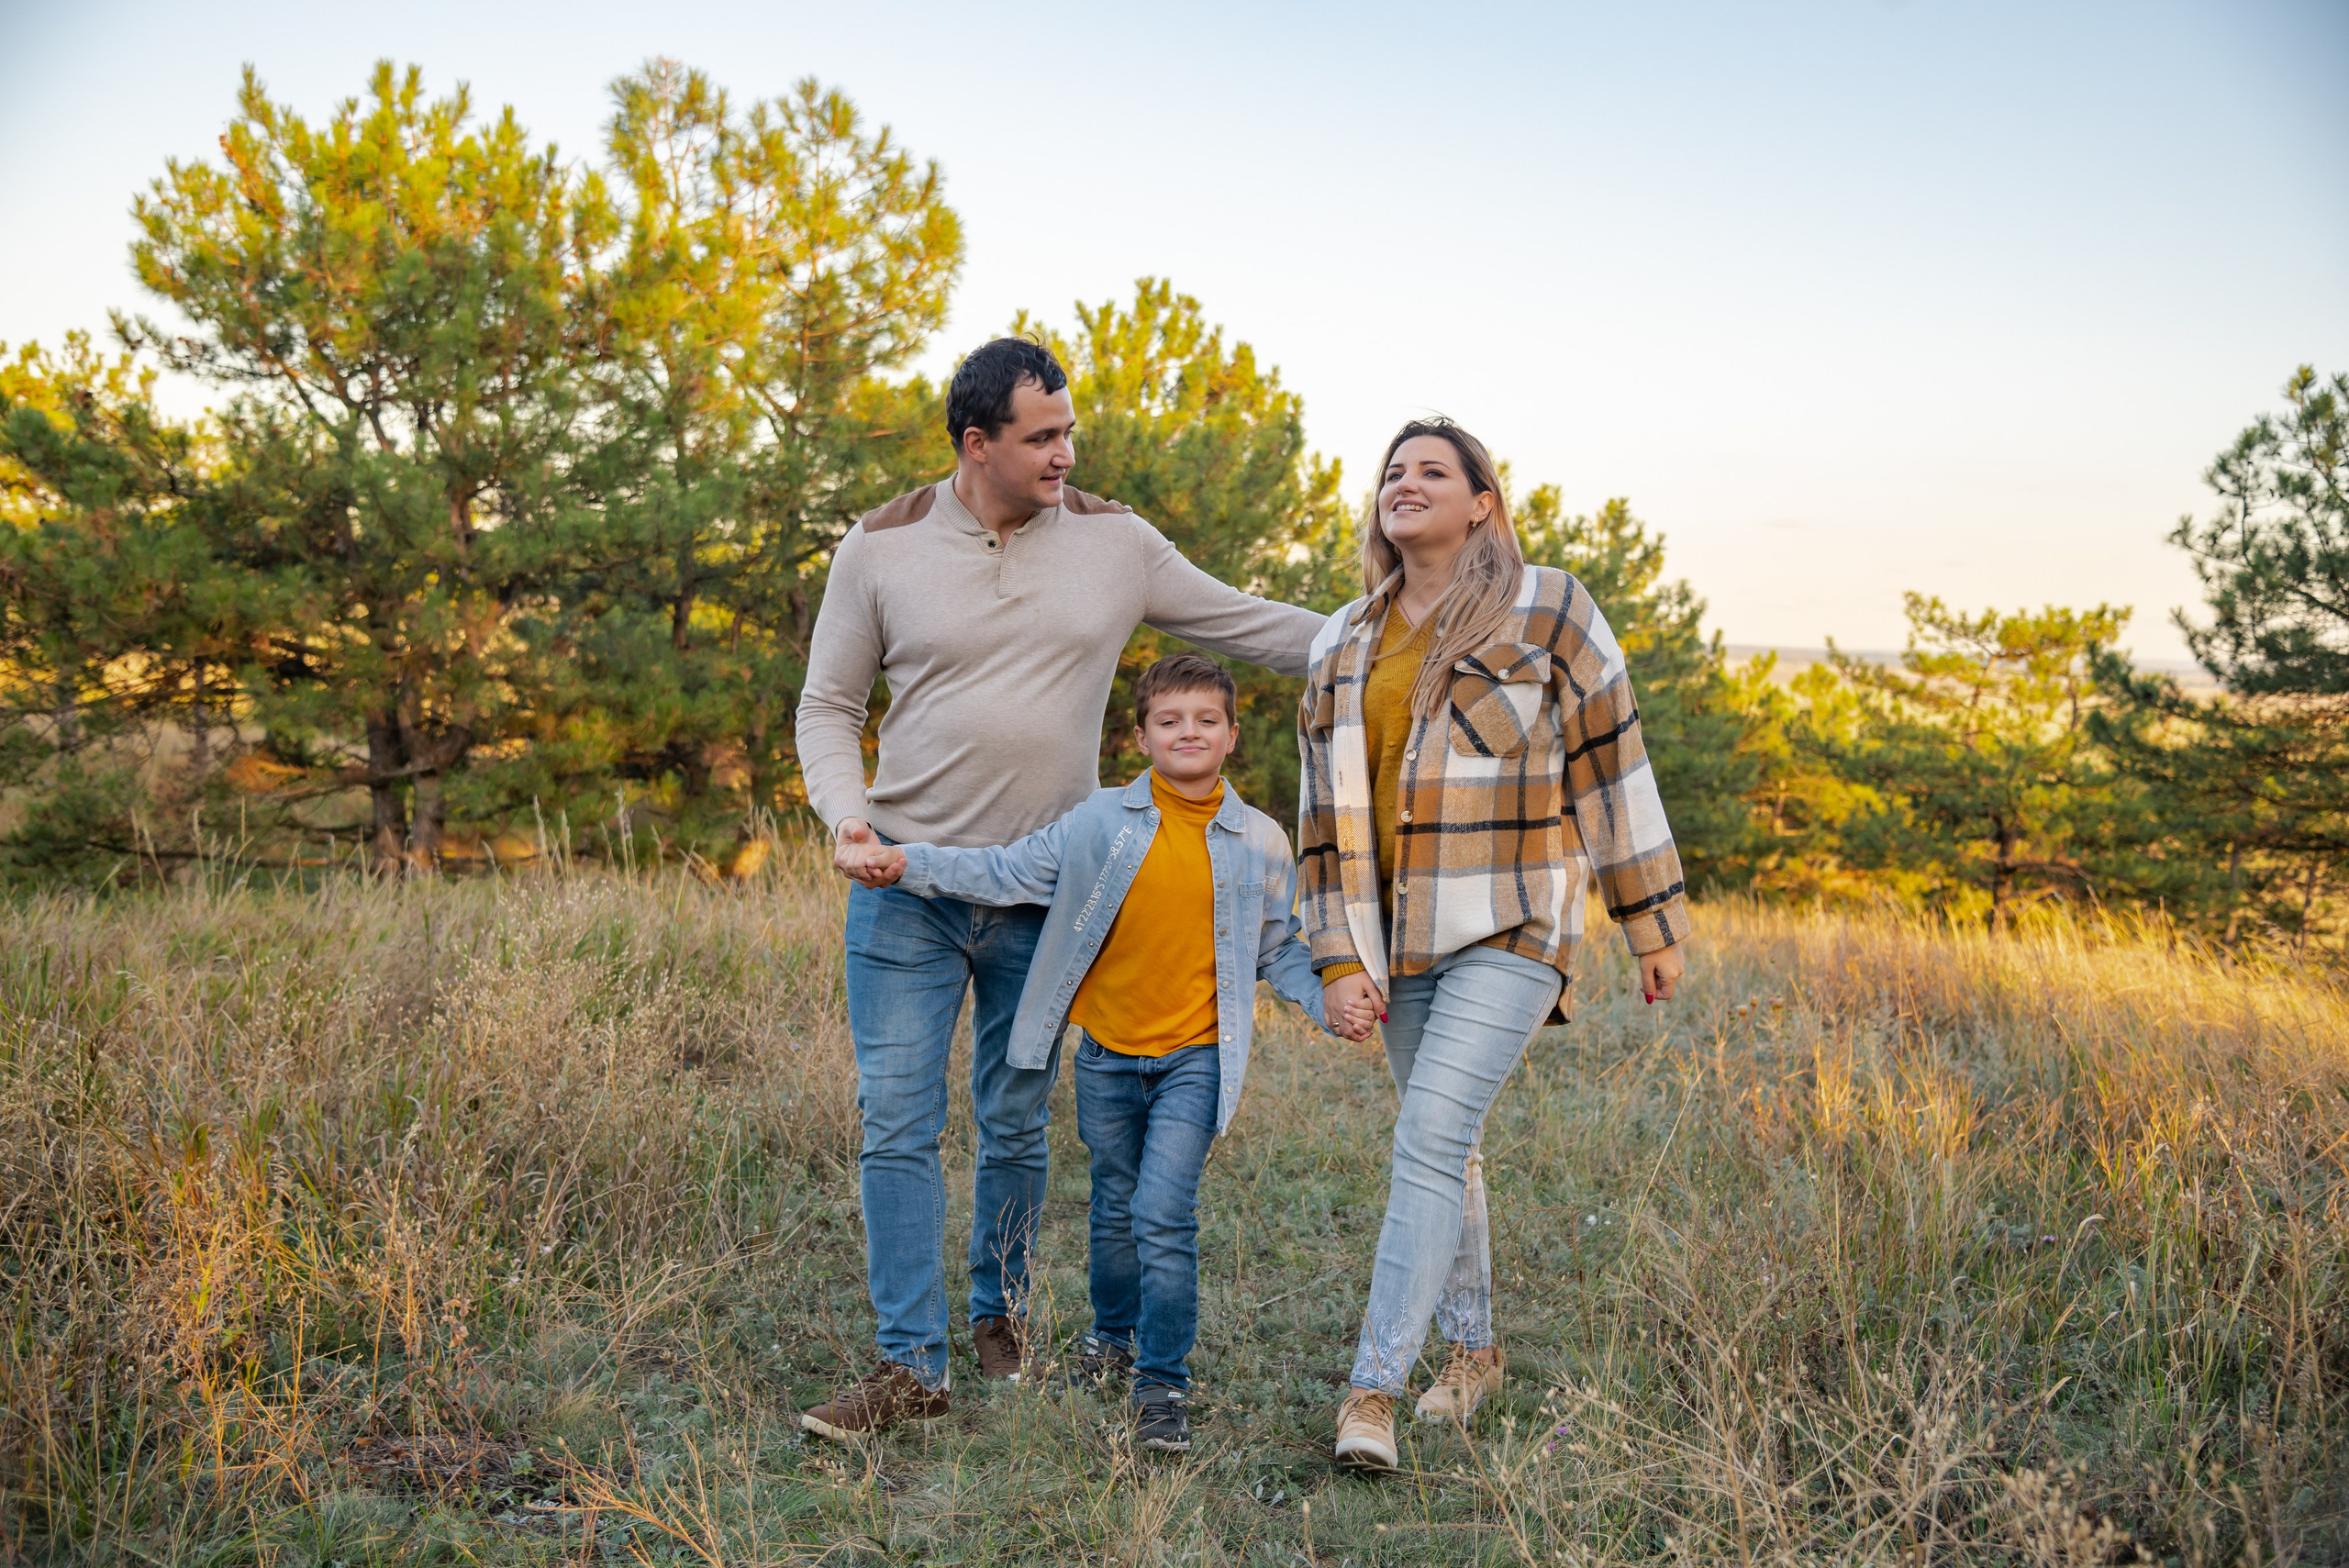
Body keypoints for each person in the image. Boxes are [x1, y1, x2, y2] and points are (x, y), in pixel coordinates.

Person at [792, 339, 1325, 1440]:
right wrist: (845, 814)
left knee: (1016, 1119)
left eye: (1067, 429)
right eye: (1040, 436)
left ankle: (1003, 1311)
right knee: (895, 1122)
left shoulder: (1115, 540)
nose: (1064, 452)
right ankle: (908, 1366)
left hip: (1050, 898)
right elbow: (828, 706)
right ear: (975, 443)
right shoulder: (879, 547)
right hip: (906, 881)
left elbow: (1248, 623)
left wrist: (1391, 639)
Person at [840, 653, 1364, 1451]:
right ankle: (1112, 1339)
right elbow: (1006, 869)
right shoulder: (1099, 822)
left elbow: (1277, 945)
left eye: (1206, 720)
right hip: (1108, 1056)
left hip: (1197, 1056)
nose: (1189, 732)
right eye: (1170, 720)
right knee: (1115, 1208)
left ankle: (1163, 1382)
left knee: (1162, 1211)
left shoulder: (1259, 840)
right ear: (1142, 736)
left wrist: (1326, 993)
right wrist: (909, 861)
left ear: (1231, 736)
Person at [1300, 417, 1690, 1470]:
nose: (1405, 483)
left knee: (1426, 1136)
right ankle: (1473, 1351)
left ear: (1481, 502)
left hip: (1511, 920)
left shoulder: (1550, 606)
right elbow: (1321, 819)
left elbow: (1612, 762)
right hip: (1393, 937)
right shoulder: (1340, 637)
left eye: (1433, 470)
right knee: (1450, 1143)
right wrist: (1336, 953)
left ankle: (1371, 1388)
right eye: (1392, 471)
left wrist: (1648, 920)